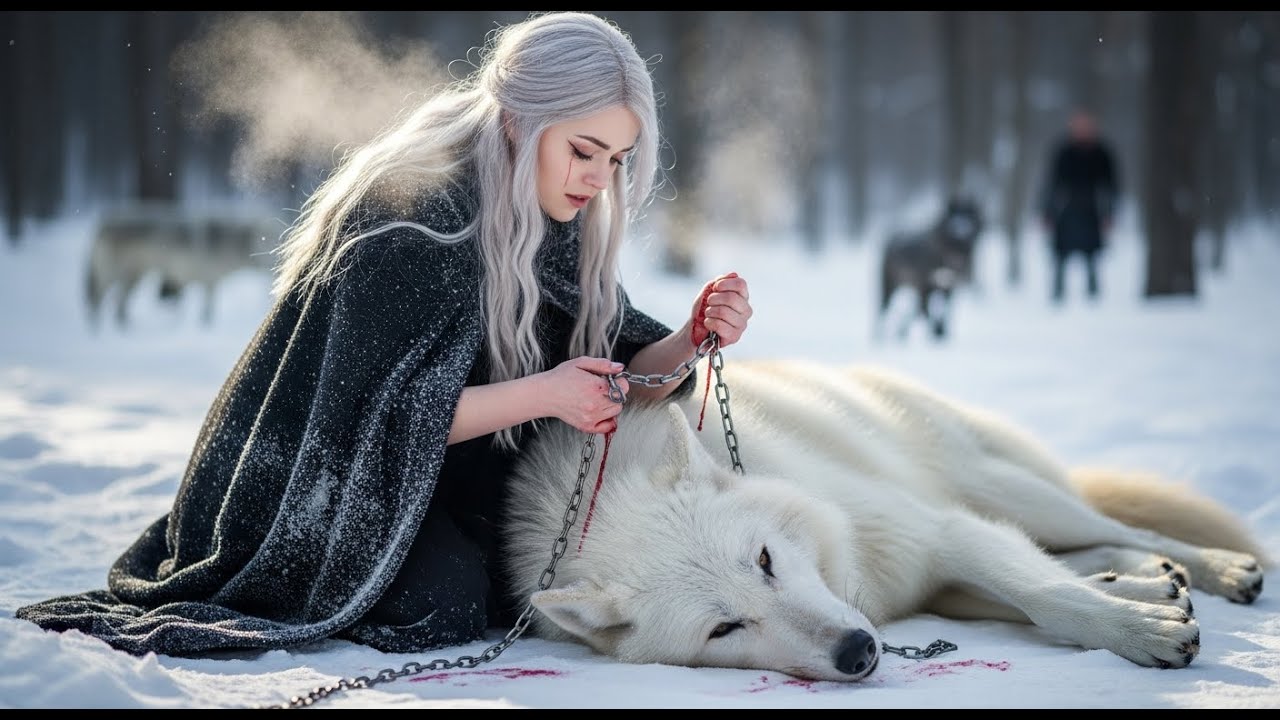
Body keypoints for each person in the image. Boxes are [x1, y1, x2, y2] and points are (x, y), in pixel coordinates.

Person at [15, 11, 752, 658]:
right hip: (323, 488)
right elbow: (368, 423)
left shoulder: (555, 218)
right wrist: (544, 395)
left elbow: (621, 360)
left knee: (518, 574)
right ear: (517, 122)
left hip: (450, 482)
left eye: (617, 161)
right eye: (584, 150)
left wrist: (693, 335)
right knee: (444, 604)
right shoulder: (410, 220)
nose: (598, 179)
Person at [1038, 107, 1120, 303]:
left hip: (1092, 211)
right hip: (1066, 210)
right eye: (1079, 125)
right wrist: (1047, 212)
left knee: (1092, 255)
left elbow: (1111, 187)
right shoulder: (1063, 152)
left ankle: (1093, 296)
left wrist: (1109, 213)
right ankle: (1057, 294)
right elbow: (1051, 184)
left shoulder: (1102, 153)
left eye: (1087, 125)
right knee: (1060, 254)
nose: (1083, 130)